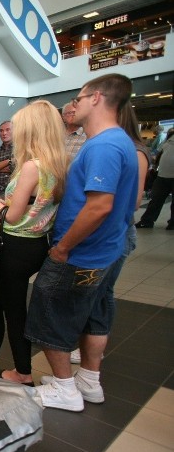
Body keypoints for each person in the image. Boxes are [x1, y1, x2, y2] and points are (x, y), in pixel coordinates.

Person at [26, 73, 138, 412]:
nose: (73, 104)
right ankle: (89, 380)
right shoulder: (121, 142)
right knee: (96, 313)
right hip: (106, 251)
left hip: (81, 253)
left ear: (97, 98)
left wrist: (62, 248)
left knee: (49, 312)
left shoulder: (103, 146)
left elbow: (99, 206)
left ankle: (64, 389)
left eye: (79, 97)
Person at [0, 101, 69, 386]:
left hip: (15, 245)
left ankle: (22, 372)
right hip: (36, 243)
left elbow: (13, 213)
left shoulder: (32, 167)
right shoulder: (58, 164)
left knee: (13, 310)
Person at [67, 104, 153, 367]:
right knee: (94, 296)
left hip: (112, 233)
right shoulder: (110, 147)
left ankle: (91, 354)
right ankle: (88, 352)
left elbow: (132, 201)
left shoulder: (128, 150)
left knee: (100, 295)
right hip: (104, 232)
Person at [135, 128, 174, 230]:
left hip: (166, 175)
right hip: (162, 175)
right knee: (155, 199)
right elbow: (160, 154)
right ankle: (147, 221)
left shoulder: (167, 140)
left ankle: (172, 223)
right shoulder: (168, 141)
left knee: (157, 200)